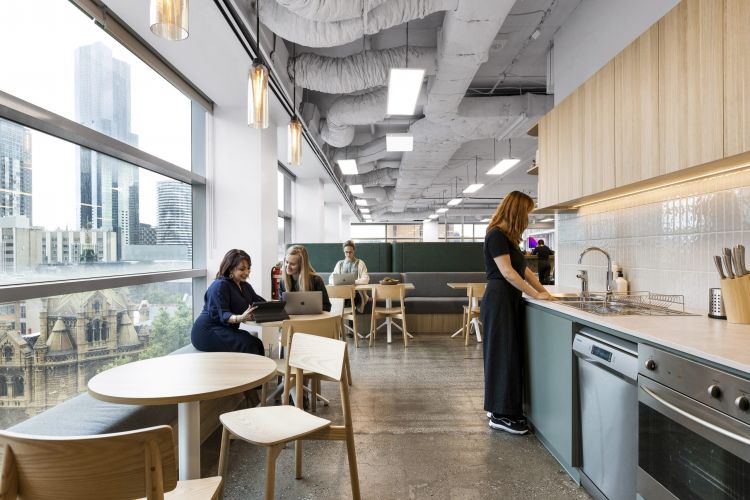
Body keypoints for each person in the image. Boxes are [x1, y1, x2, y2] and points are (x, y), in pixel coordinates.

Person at [481, 191, 551, 435]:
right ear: (517, 212)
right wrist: (534, 295)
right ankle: (501, 415)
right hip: (499, 300)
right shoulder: (496, 235)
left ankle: (500, 408)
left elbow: (524, 271)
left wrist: (543, 292)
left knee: (506, 355)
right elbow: (508, 273)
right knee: (502, 356)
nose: (528, 219)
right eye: (527, 214)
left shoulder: (508, 239)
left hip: (507, 299)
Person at [191, 249, 265, 356]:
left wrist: (278, 308)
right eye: (242, 269)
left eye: (248, 268)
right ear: (230, 269)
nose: (247, 272)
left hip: (224, 329)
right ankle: (252, 372)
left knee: (257, 343)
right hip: (207, 331)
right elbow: (223, 314)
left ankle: (263, 372)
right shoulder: (220, 285)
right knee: (250, 344)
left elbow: (259, 303)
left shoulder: (245, 286)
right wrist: (240, 318)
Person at [281, 245, 332, 312]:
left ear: (301, 265)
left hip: (313, 320)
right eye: (286, 262)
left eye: (292, 264)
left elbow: (327, 307)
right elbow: (281, 308)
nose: (287, 266)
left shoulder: (316, 281)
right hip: (292, 321)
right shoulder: (283, 282)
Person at [329, 239, 370, 313]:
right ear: (344, 252)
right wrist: (338, 282)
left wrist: (353, 282)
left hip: (356, 293)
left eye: (350, 252)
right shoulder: (339, 264)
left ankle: (347, 319)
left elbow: (366, 279)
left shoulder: (360, 263)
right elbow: (331, 279)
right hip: (342, 293)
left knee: (350, 298)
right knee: (339, 298)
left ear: (354, 251)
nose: (348, 254)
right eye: (346, 252)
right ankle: (344, 319)